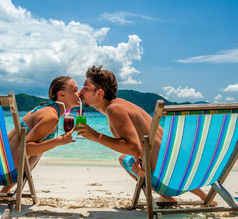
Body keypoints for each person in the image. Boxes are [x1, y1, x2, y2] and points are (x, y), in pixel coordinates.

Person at [74, 65, 217, 205]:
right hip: (188, 175)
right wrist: (139, 160)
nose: (80, 92)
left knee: (124, 158)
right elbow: (146, 145)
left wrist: (96, 136)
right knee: (140, 159)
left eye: (85, 88)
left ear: (99, 93)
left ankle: (168, 198)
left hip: (166, 182)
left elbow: (134, 148)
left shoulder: (114, 110)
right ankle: (204, 196)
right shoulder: (123, 105)